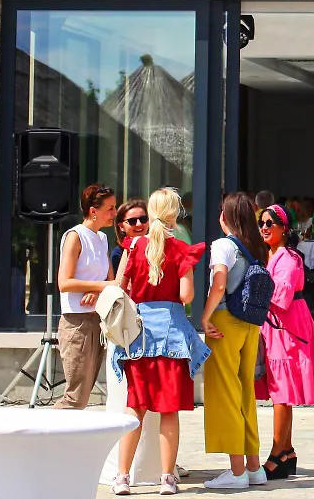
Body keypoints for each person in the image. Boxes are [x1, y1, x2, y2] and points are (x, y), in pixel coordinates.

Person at [112, 187, 208, 496]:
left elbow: (121, 287)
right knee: (169, 411)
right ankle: (167, 478)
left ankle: (122, 477)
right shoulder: (180, 248)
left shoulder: (134, 246)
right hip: (171, 337)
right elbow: (186, 296)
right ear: (174, 215)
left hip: (139, 338)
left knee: (135, 408)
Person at [202, 193, 269, 490]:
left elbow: (219, 282)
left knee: (226, 391)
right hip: (250, 322)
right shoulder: (256, 246)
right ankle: (254, 467)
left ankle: (237, 470)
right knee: (244, 392)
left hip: (225, 320)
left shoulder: (223, 245)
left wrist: (205, 317)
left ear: (225, 216)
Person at [255, 204, 314, 480]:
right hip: (276, 326)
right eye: (262, 223)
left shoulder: (289, 257)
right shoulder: (270, 255)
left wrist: (255, 284)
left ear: (284, 228)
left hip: (288, 327)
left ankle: (275, 455)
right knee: (280, 392)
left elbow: (281, 296)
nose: (264, 227)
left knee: (282, 393)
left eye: (270, 223)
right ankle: (287, 452)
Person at [54, 183, 118, 410]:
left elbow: (111, 281)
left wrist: (96, 290)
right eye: (110, 208)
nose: (114, 213)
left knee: (82, 395)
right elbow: (64, 283)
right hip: (77, 322)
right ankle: (40, 431)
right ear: (93, 211)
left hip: (98, 320)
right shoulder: (75, 236)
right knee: (75, 398)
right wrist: (101, 286)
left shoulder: (102, 238)